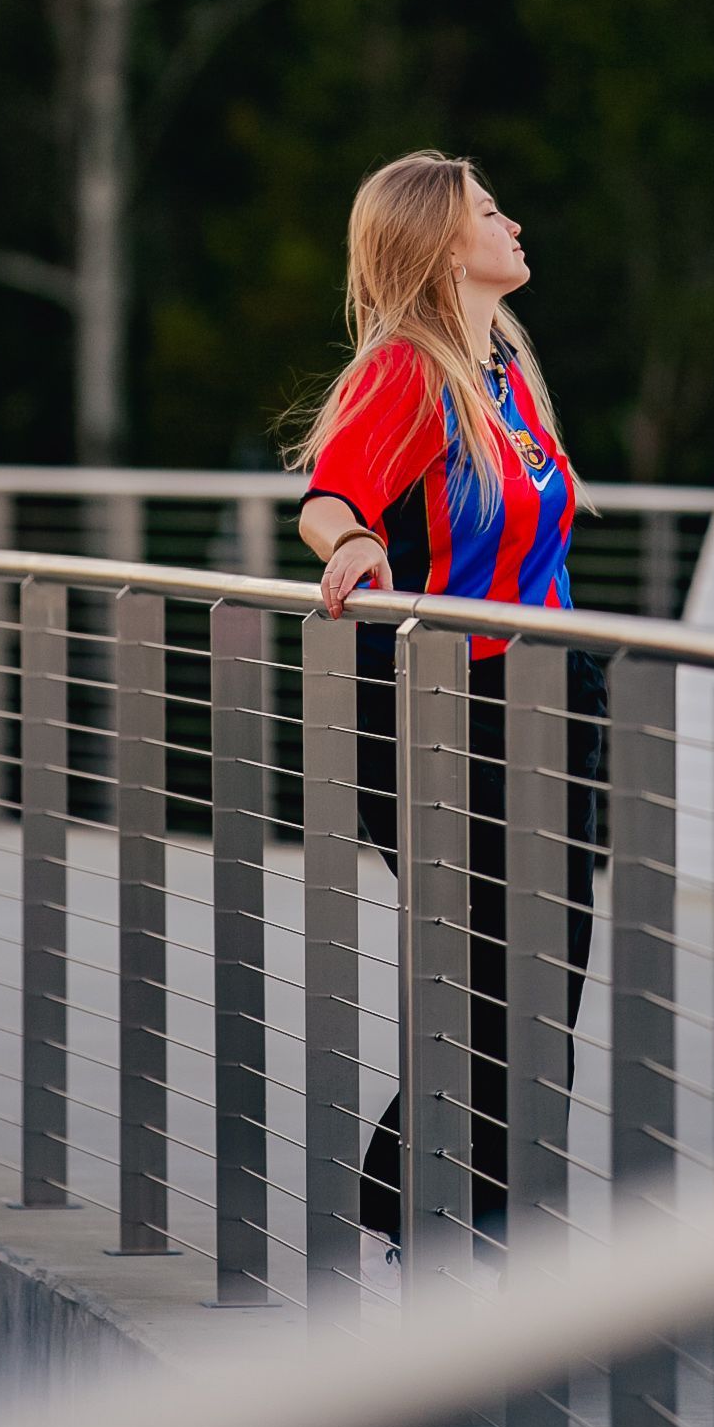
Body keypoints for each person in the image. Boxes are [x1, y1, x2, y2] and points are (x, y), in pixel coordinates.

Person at [280, 149, 608, 1295]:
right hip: (442, 712)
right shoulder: (406, 374)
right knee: (481, 975)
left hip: (554, 702)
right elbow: (331, 495)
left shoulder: (504, 370)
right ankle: (442, 1234)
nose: (513, 224)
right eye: (487, 211)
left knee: (547, 971)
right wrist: (356, 545)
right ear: (437, 242)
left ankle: (447, 1218)